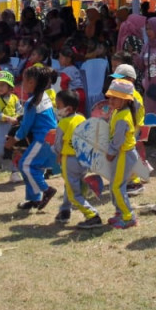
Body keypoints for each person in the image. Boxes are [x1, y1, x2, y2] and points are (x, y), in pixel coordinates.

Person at [51, 89, 101, 229]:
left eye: (58, 105)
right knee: (71, 184)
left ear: (69, 108)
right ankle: (65, 211)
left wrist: (56, 153)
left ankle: (92, 215)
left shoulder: (63, 123)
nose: (57, 108)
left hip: (70, 160)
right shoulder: (81, 118)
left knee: (74, 192)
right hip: (83, 159)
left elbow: (57, 144)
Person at [14, 65, 59, 211]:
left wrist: (13, 139)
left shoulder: (32, 102)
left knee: (25, 165)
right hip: (50, 138)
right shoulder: (44, 97)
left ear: (32, 82)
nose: (22, 84)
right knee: (35, 168)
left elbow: (25, 127)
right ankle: (34, 199)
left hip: (42, 140)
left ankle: (46, 190)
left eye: (24, 81)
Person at [104, 79, 140, 229]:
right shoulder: (119, 112)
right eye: (110, 97)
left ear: (125, 100)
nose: (110, 101)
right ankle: (120, 212)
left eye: (114, 98)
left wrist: (111, 152)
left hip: (123, 154)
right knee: (114, 185)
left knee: (118, 186)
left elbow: (118, 139)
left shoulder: (123, 117)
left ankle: (128, 216)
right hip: (121, 154)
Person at [0, 71, 22, 185]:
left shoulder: (15, 98)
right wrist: (8, 118)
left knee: (14, 148)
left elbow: (19, 110)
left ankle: (14, 172)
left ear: (10, 86)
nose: (0, 87)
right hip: (0, 127)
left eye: (3, 85)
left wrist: (17, 117)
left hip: (13, 128)